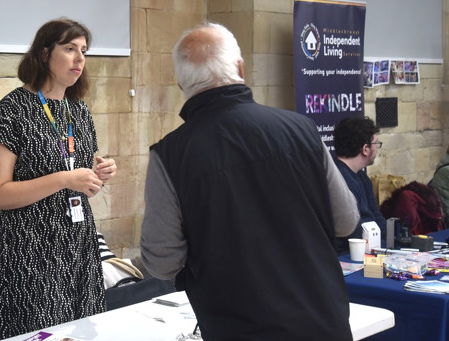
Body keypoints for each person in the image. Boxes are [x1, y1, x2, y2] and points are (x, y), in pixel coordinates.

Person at [140, 22, 359, 341]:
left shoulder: (170, 155)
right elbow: (346, 220)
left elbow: (162, 261)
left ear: (180, 84)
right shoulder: (303, 129)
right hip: (323, 321)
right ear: (240, 69)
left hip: (236, 325)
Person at [0, 18, 116, 338]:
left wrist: (96, 177)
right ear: (44, 54)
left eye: (83, 50)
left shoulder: (78, 111)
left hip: (78, 249)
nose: (80, 59)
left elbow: (79, 184)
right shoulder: (13, 109)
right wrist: (64, 179)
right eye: (70, 49)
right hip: (31, 256)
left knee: (84, 333)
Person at [332, 116, 387, 253]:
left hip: (369, 248)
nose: (377, 148)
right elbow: (353, 230)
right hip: (350, 254)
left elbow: (376, 217)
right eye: (376, 143)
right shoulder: (338, 180)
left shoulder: (362, 177)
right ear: (365, 149)